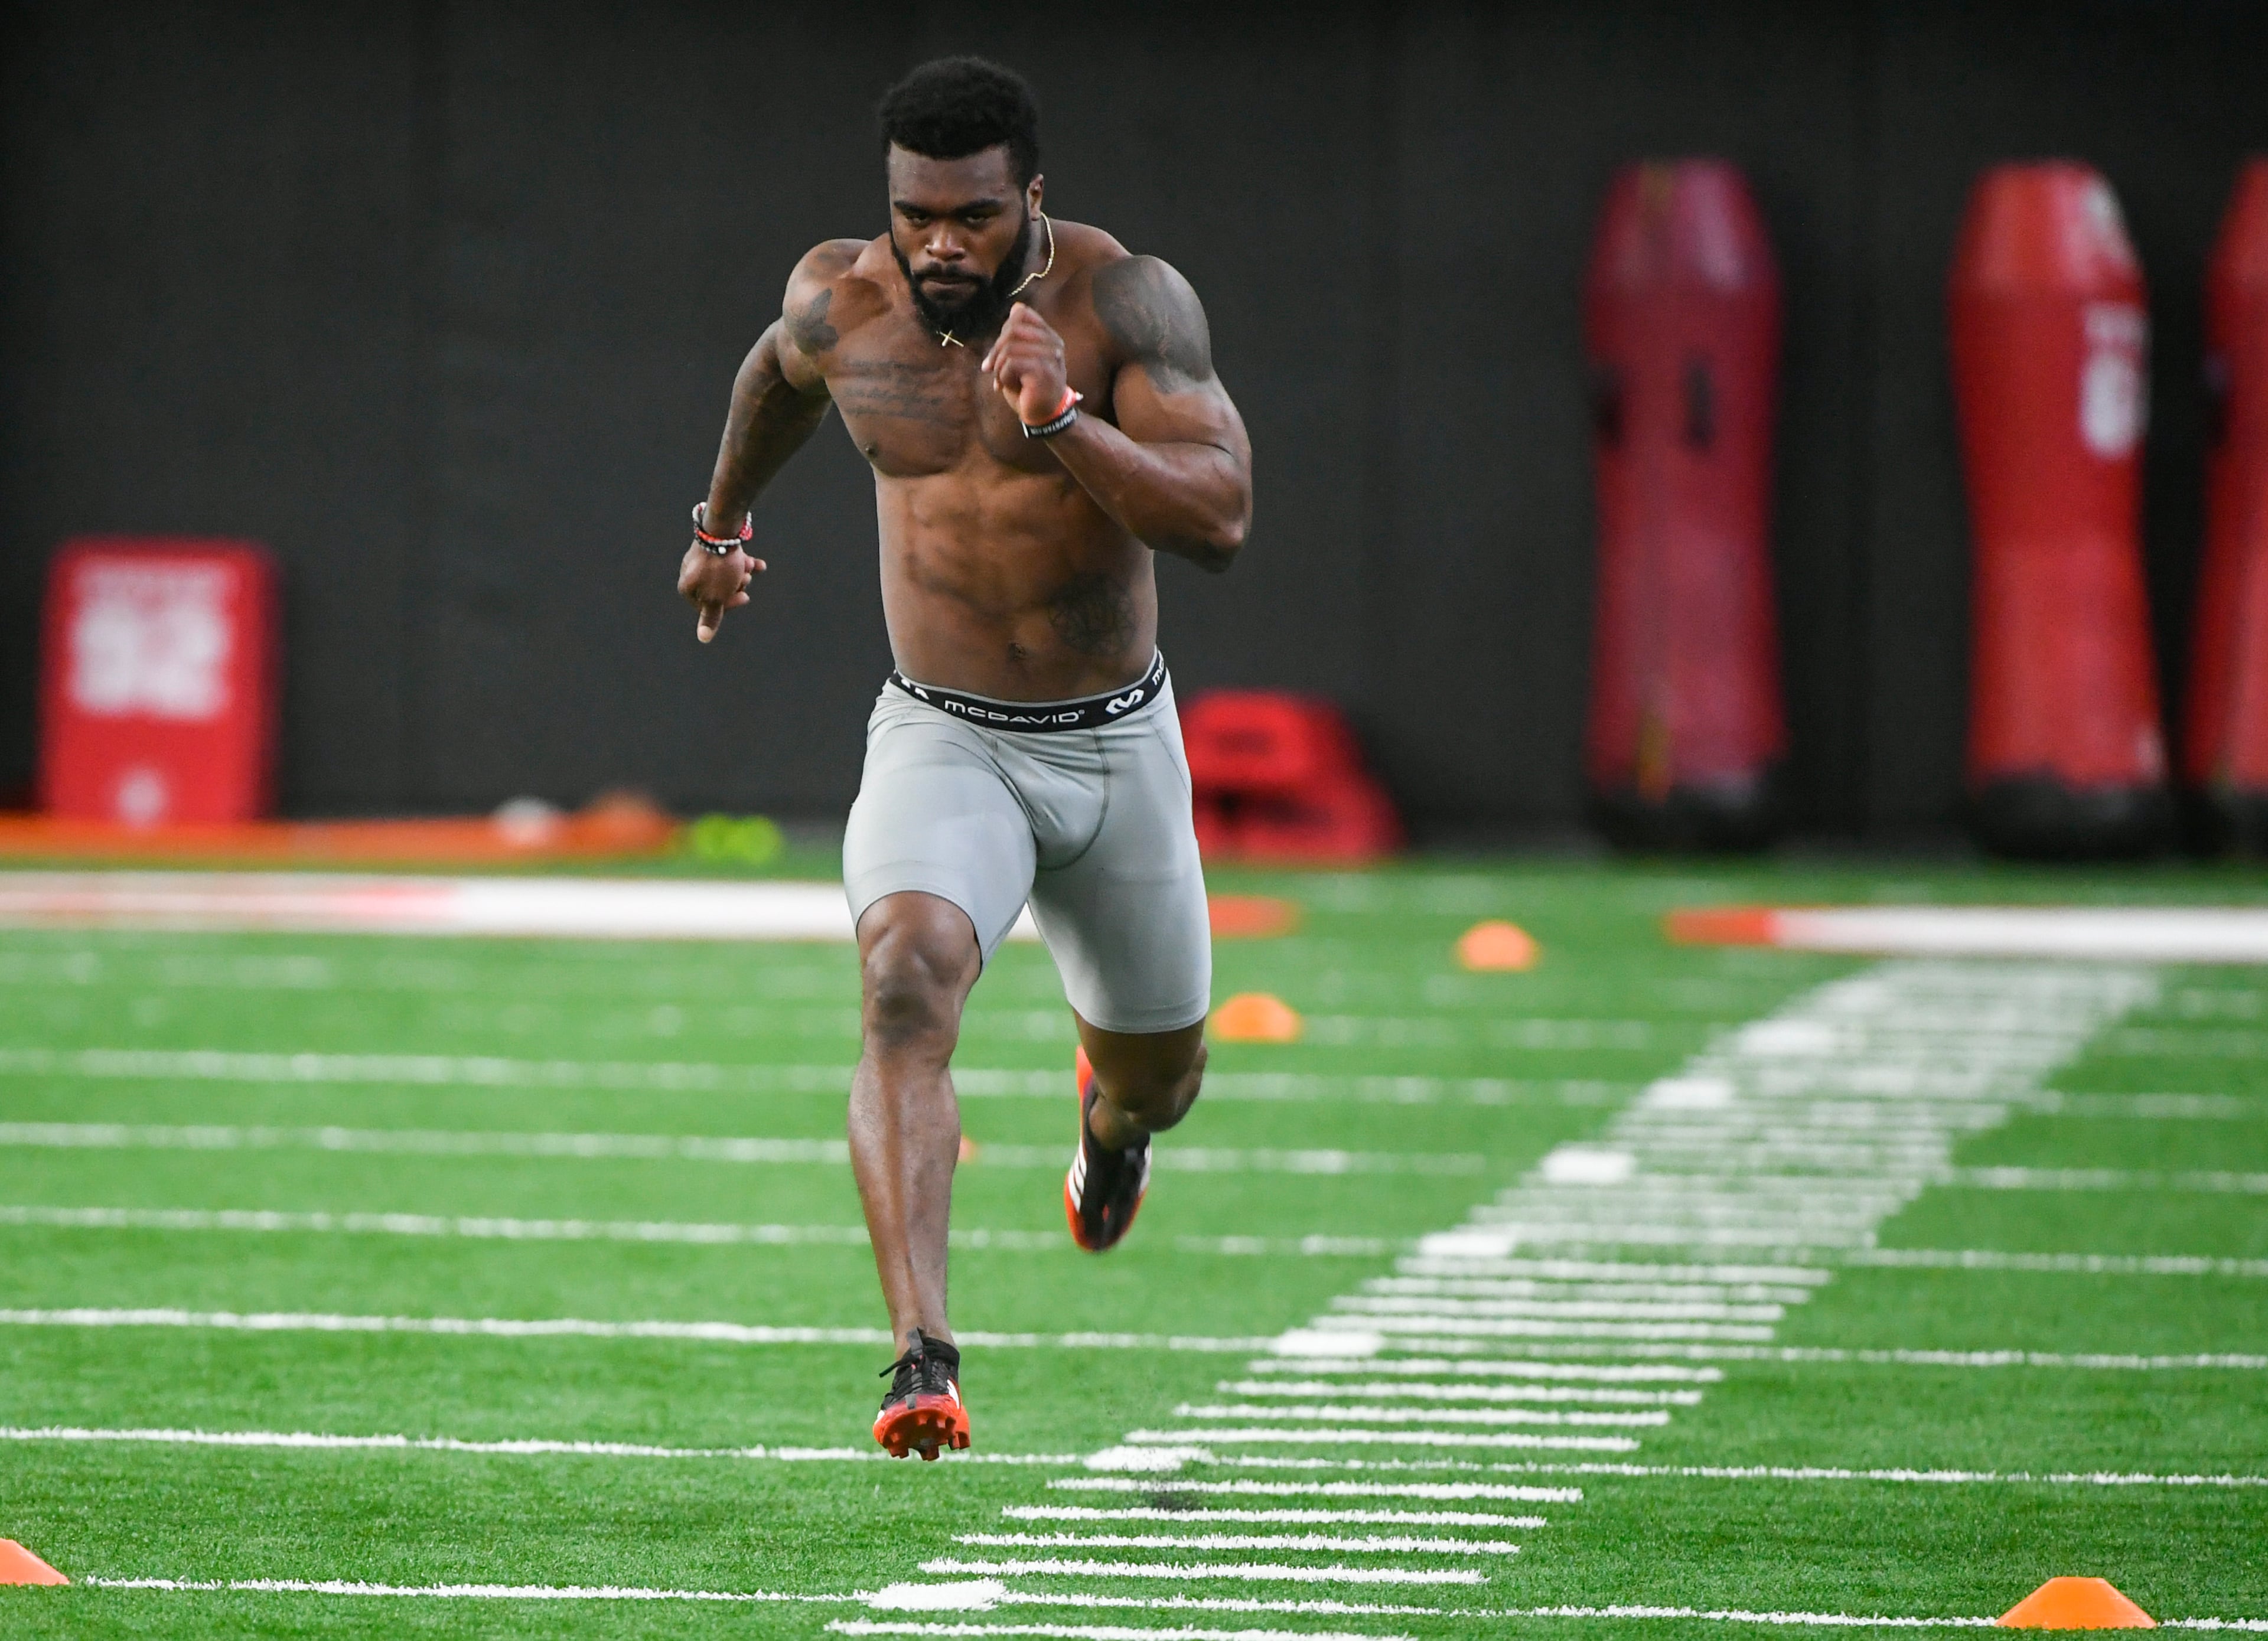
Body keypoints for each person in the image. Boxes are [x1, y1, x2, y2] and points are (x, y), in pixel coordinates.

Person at [676, 56, 1252, 1461]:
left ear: (1031, 198)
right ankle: (920, 1351)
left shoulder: (1126, 301)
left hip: (1113, 745)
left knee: (1160, 1080)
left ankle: (1108, 1128)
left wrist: (1066, 422)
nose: (941, 245)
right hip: (944, 732)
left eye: (975, 218)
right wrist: (721, 526)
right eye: (916, 215)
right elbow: (776, 374)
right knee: (902, 982)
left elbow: (1221, 514)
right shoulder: (845, 297)